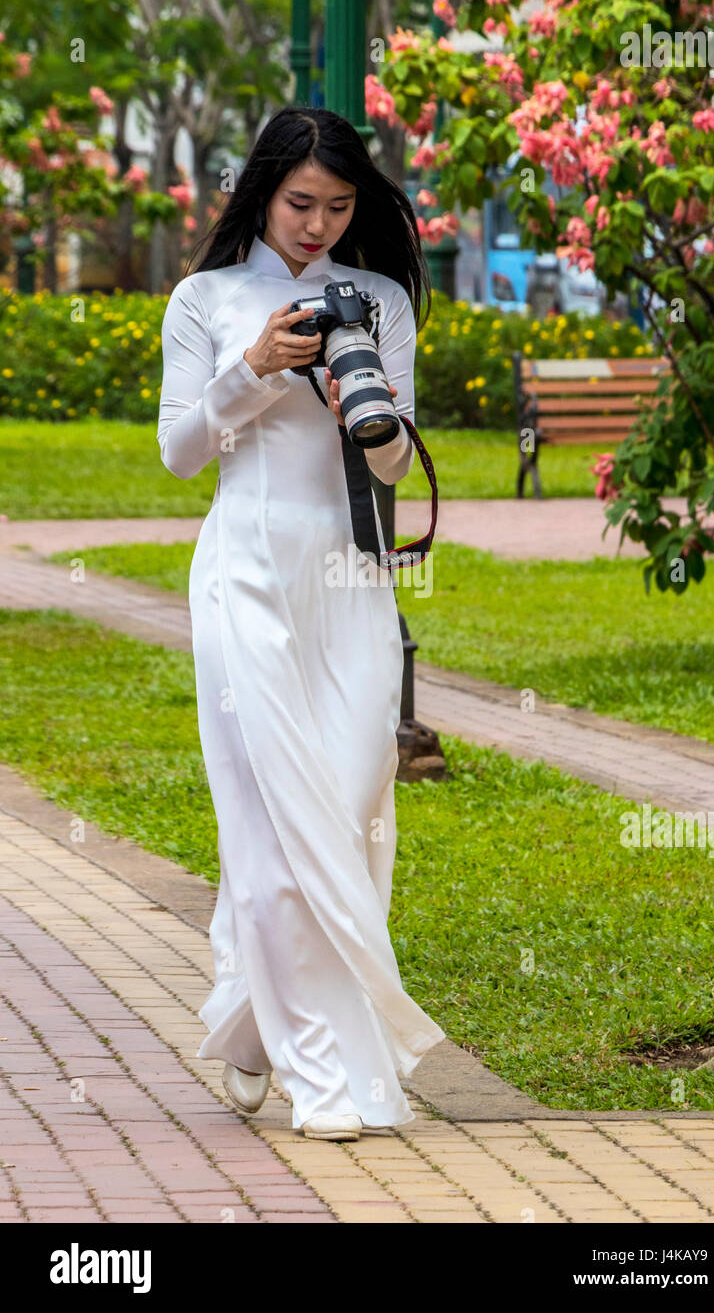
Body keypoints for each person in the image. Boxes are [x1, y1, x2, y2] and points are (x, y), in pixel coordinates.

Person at [156, 105, 446, 1142]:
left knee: (349, 803)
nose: (318, 225)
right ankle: (328, 1078)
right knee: (277, 833)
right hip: (242, 576)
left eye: (337, 206)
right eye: (299, 204)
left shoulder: (374, 299)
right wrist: (253, 368)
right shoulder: (203, 299)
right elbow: (181, 454)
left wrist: (352, 407)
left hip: (348, 580)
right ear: (260, 192)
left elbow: (392, 464)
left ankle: (243, 1036)